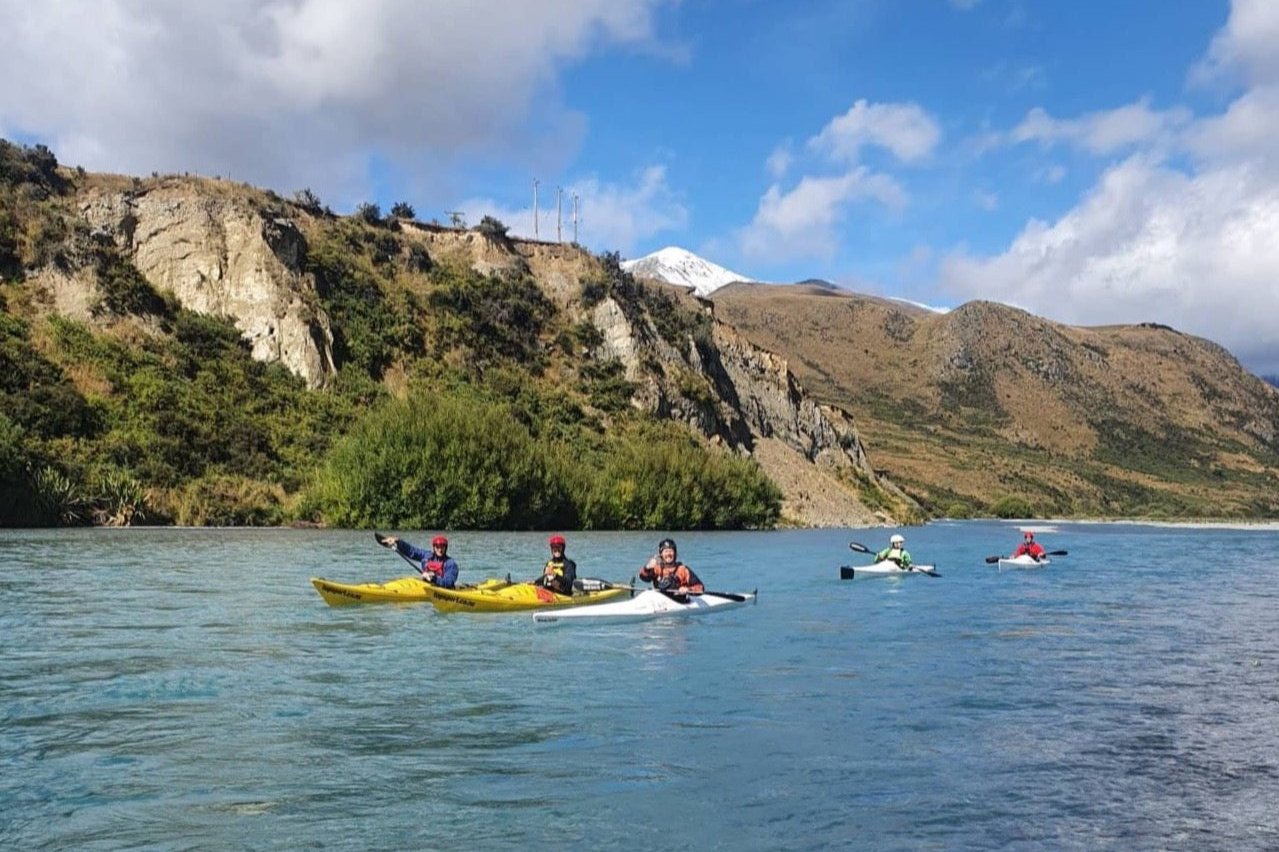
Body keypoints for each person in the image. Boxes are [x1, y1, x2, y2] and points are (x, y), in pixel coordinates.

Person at [381, 534, 459, 588]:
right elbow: (412, 551)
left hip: (438, 589)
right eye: (437, 547)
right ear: (434, 547)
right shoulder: (427, 556)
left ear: (446, 548)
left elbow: (449, 582)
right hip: (423, 585)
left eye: (442, 547)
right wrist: (397, 542)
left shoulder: (450, 563)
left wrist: (433, 578)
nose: (440, 549)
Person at [638, 537, 704, 594]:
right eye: (666, 551)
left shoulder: (683, 570)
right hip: (659, 600)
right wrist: (647, 568)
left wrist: (688, 589)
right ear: (661, 554)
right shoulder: (657, 569)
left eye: (671, 551)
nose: (668, 554)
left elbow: (700, 587)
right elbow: (644, 578)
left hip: (679, 600)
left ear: (675, 553)